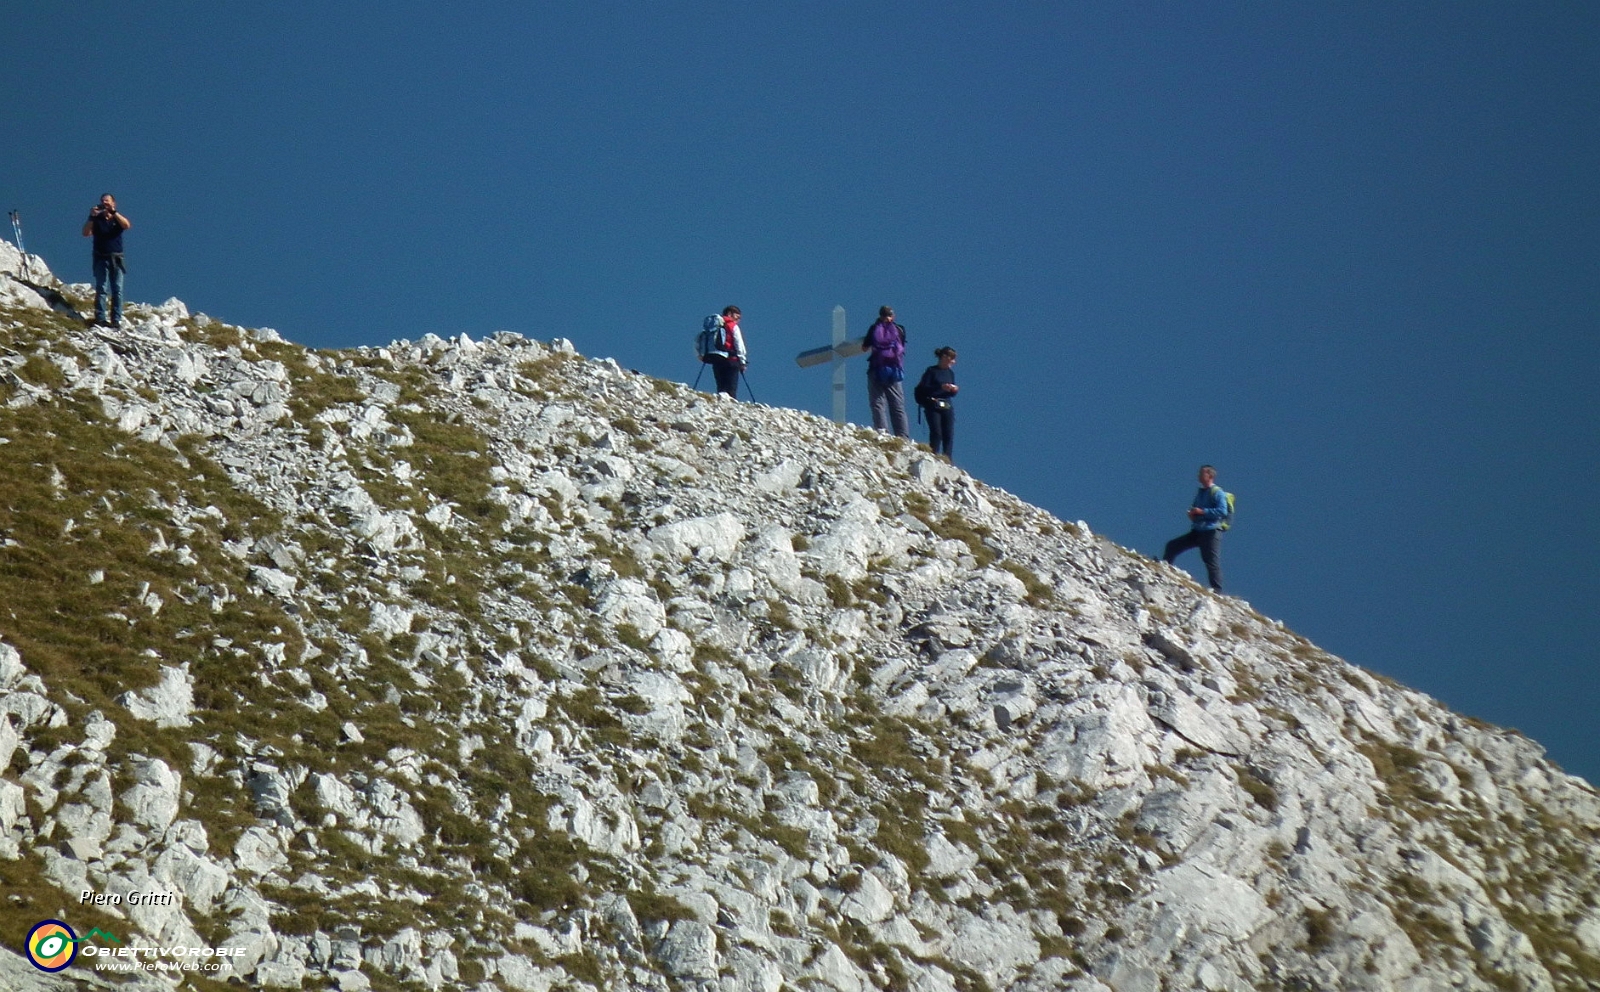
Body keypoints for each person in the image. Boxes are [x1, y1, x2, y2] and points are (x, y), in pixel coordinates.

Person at [1162, 464, 1229, 592]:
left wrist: (1202, 512)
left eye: (1201, 473)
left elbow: (1222, 511)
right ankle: (1164, 567)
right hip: (1198, 530)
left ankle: (1217, 590)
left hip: (1211, 531)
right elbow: (1196, 509)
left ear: (1209, 475)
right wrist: (1193, 515)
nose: (1198, 475)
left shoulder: (1217, 492)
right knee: (1172, 545)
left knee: (1211, 561)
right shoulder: (1201, 493)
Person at [82, 194, 131, 328]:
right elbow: (86, 233)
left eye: (107, 201)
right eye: (102, 202)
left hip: (117, 258)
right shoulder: (97, 219)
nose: (104, 203)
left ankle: (116, 320)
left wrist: (113, 212)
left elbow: (126, 225)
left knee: (117, 289)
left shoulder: (117, 218)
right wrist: (92, 216)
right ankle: (100, 318)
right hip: (101, 257)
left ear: (113, 203)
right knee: (101, 287)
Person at [864, 305, 909, 437]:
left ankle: (882, 432)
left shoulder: (873, 328)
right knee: (897, 406)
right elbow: (902, 348)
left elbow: (864, 348)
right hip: (894, 371)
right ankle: (903, 436)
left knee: (877, 403)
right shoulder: (900, 329)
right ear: (893, 316)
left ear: (880, 315)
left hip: (876, 369)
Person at [914, 346, 958, 459]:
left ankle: (947, 458)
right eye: (951, 358)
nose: (953, 362)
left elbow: (951, 394)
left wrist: (953, 390)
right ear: (944, 357)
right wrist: (941, 387)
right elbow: (924, 388)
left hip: (947, 405)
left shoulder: (950, 373)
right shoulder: (931, 371)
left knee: (948, 433)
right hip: (932, 404)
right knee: (936, 432)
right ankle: (933, 455)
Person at [702, 305, 747, 398]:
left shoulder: (714, 326)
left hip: (716, 358)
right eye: (737, 317)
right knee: (731, 388)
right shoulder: (732, 325)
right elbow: (739, 344)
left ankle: (720, 405)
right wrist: (742, 362)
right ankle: (730, 408)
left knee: (721, 387)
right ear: (730, 314)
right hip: (731, 360)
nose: (738, 320)